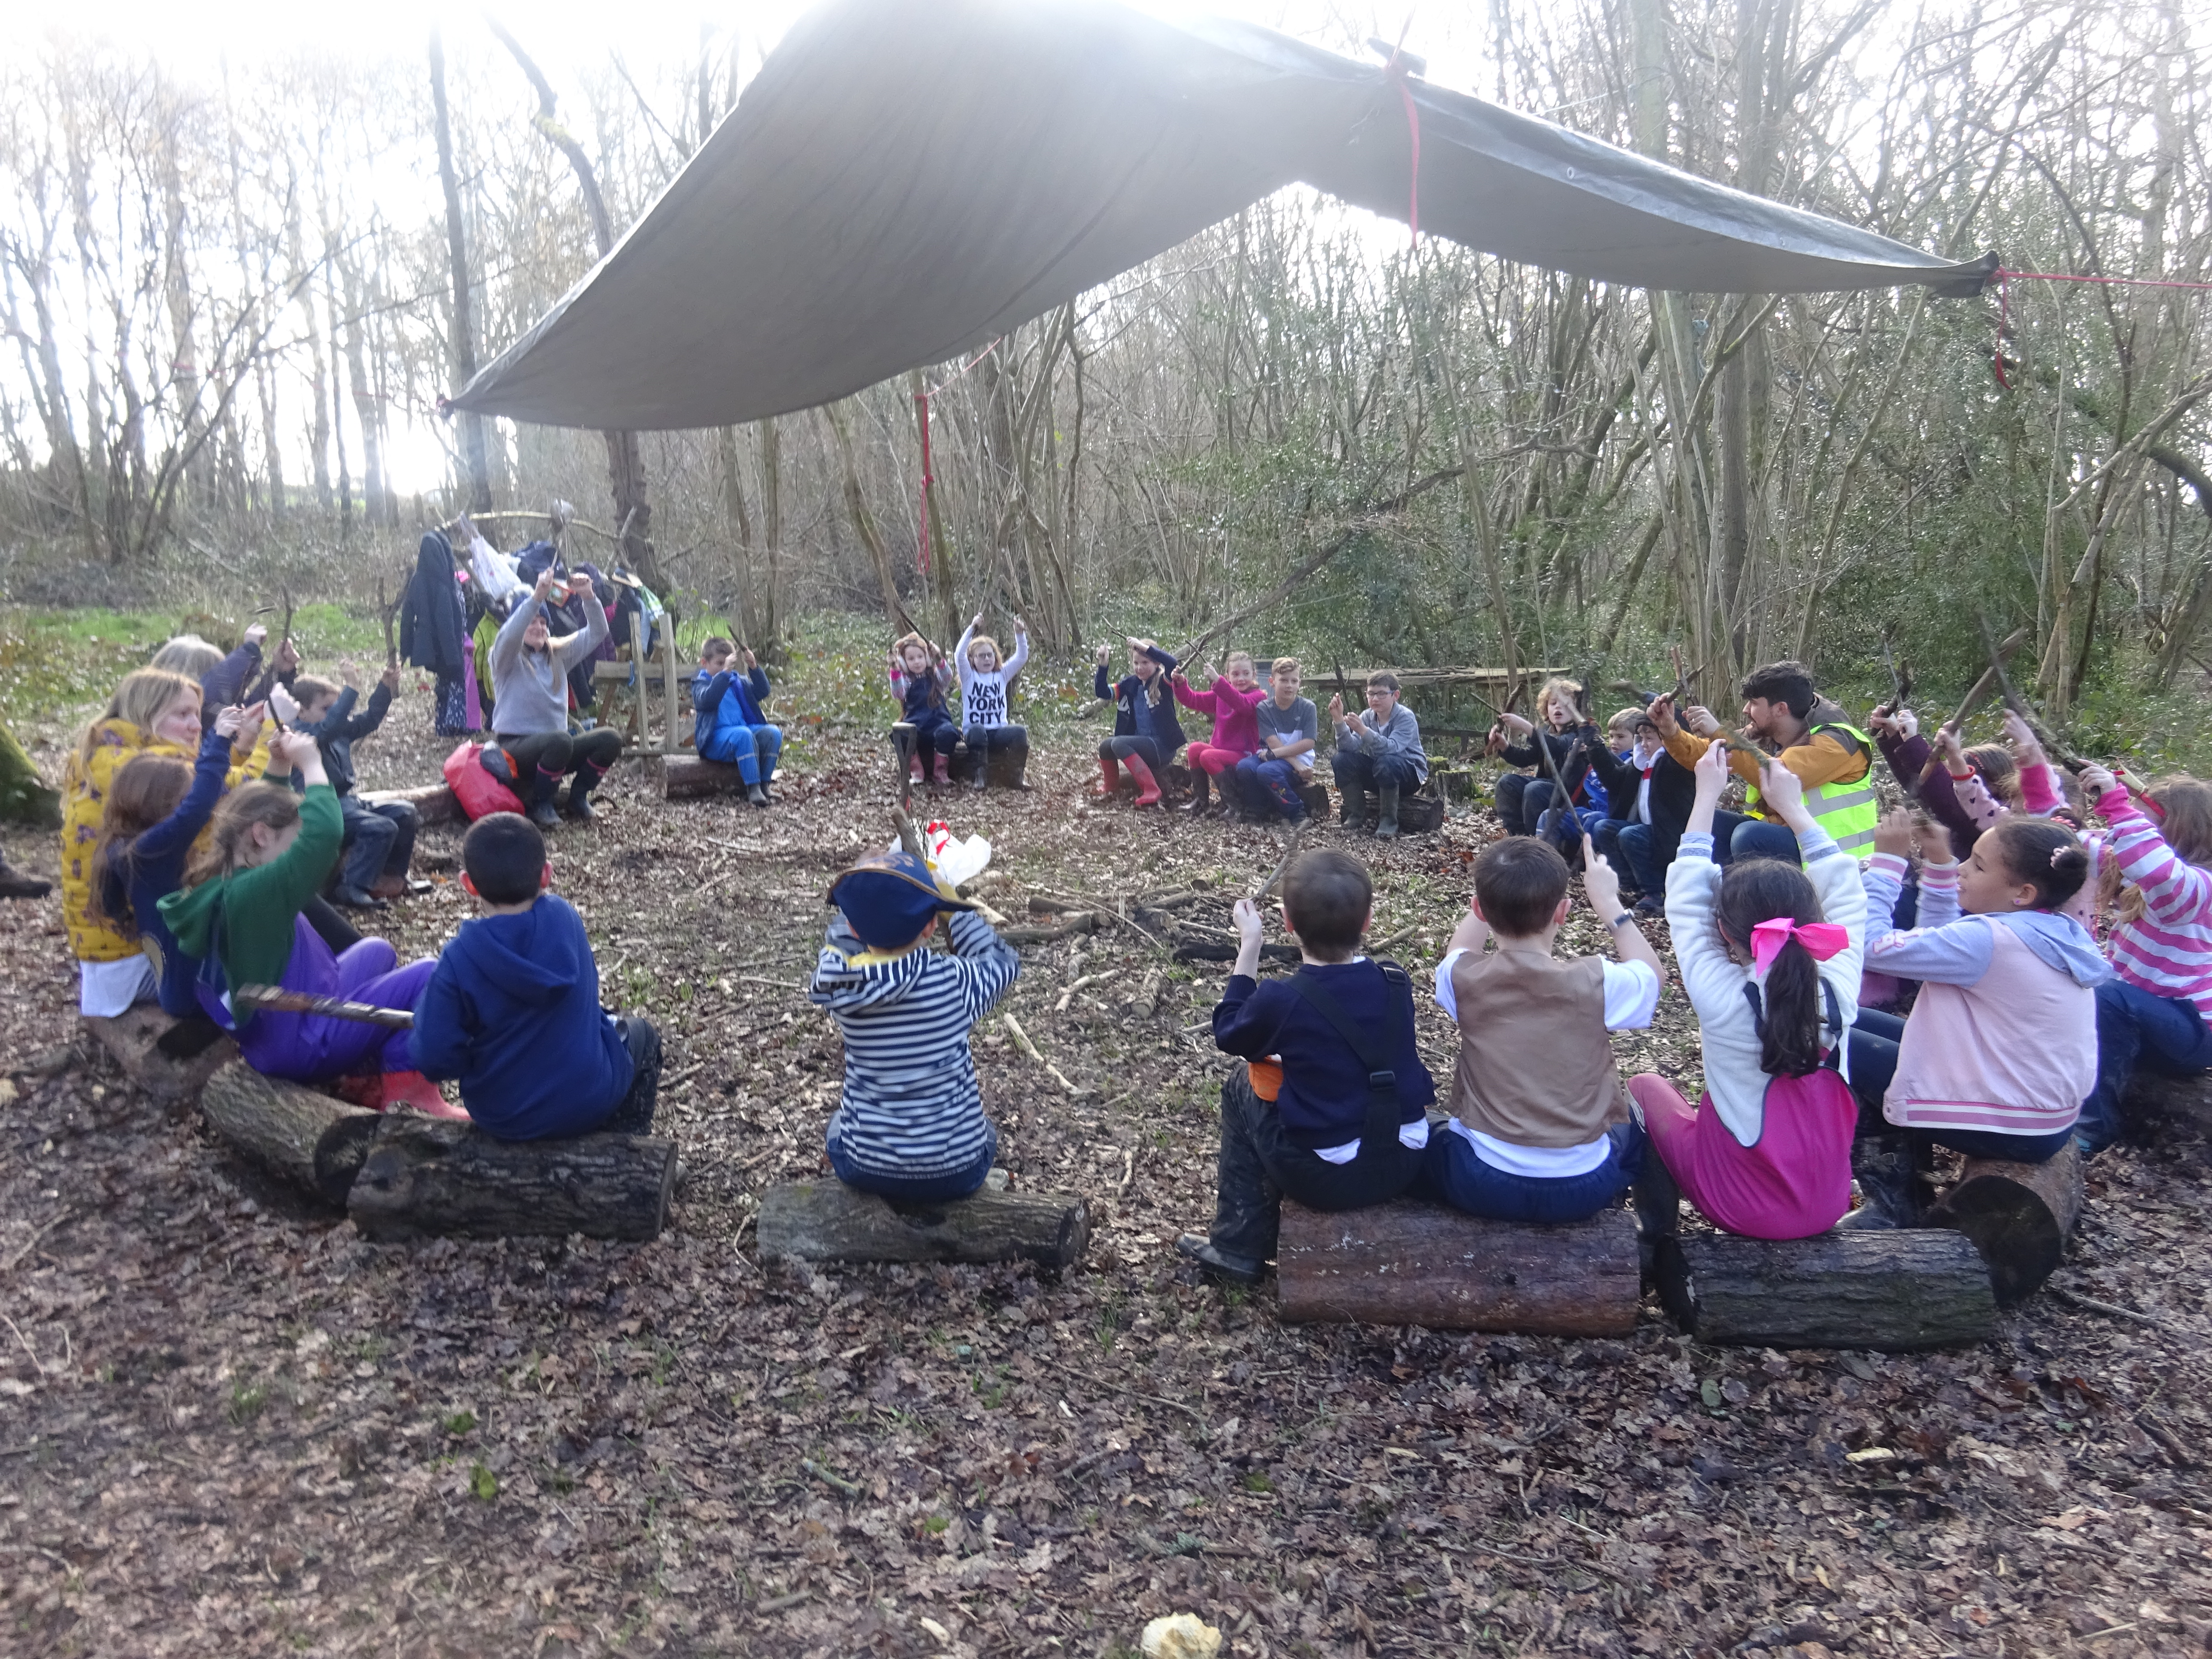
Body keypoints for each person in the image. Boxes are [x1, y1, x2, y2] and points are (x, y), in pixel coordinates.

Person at [1626, 743, 1868, 1243]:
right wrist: (1796, 809)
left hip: (1739, 1207)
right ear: (1815, 921)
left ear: (1725, 932)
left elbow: (1687, 908)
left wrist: (1706, 795)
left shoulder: (1724, 1000)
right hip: (1826, 1206)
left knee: (1645, 1087)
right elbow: (1848, 896)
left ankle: (1656, 1239)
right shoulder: (1841, 990)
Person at [1176, 849, 1434, 1283]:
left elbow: (1229, 1032)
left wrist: (1250, 947)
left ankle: (1237, 1245)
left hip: (1327, 1178)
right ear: (1368, 920)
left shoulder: (1283, 999)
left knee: (1243, 1083)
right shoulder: (1395, 980)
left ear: (1288, 923)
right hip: (1404, 1159)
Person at [1840, 812, 2105, 1224]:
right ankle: (1904, 1183)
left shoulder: (1990, 940)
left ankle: (1892, 1205)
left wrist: (1887, 865)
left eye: (1977, 865)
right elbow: (1939, 943)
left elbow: (1871, 948)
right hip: (2040, 1114)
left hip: (2013, 1124)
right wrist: (1940, 862)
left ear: (2023, 892)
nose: (1965, 869)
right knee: (1847, 1019)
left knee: (1829, 1034)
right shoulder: (2052, 928)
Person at [159, 732, 435, 1084]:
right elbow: (324, 836)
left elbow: (261, 809)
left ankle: (364, 1061)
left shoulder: (231, 879)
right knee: (430, 972)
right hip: (306, 1045)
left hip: (286, 1025)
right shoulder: (257, 894)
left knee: (376, 950)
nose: (296, 853)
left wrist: (280, 766)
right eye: (294, 841)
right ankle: (404, 1084)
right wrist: (311, 763)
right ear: (261, 836)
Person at [1424, 834, 1662, 1222]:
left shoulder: (1460, 978)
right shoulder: (1598, 981)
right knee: (1637, 1125)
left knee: (1430, 1132)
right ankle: (1653, 1237)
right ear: (1563, 912)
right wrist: (1611, 907)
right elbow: (1653, 976)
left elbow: (1458, 953)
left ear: (1478, 910)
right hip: (1585, 1184)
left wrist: (1486, 902)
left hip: (1484, 1180)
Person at [412, 813, 660, 1139]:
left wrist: (471, 1051)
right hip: (591, 1099)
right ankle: (629, 1141)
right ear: (546, 875)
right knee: (643, 1034)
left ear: (468, 884)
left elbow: (433, 1058)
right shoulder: (565, 919)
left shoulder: (458, 959)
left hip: (502, 1116)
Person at [809, 848, 1021, 1200]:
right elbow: (1002, 963)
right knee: (986, 1132)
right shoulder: (954, 982)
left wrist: (862, 907)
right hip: (957, 1169)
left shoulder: (842, 987)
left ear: (851, 925)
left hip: (868, 1167)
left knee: (836, 1128)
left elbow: (841, 943)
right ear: (930, 924)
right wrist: (954, 909)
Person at [61, 668, 271, 1017]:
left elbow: (199, 787)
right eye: (182, 714)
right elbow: (239, 793)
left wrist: (240, 745)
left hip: (107, 953)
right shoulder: (140, 762)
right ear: (146, 714)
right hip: (138, 959)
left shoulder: (108, 754)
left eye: (195, 714)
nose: (195, 725)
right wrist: (269, 738)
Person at [2074, 765, 2212, 1155]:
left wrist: (2118, 807)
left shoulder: (2198, 888)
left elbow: (2162, 876)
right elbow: (2075, 844)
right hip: (2145, 1017)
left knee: (2104, 995)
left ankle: (2092, 1127)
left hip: (2193, 1031)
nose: (2127, 834)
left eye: (2146, 826)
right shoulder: (2141, 873)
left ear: (2178, 832)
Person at [1650, 660, 1877, 865]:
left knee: (1749, 836)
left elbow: (1779, 776)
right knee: (1708, 822)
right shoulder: (1771, 732)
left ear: (1780, 709)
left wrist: (1719, 730)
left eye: (1754, 703)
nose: (1746, 710)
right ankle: (1724, 899)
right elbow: (1712, 753)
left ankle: (1761, 904)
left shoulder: (1838, 742)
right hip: (1792, 838)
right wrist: (1670, 731)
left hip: (1833, 857)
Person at [483, 568, 619, 828]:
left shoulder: (558, 654)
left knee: (609, 739)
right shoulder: (504, 658)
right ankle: (541, 803)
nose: (539, 627)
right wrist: (536, 598)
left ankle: (578, 797)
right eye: (532, 622)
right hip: (515, 748)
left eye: (543, 622)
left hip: (557, 748)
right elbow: (509, 636)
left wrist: (588, 596)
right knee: (560, 740)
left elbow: (598, 633)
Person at [292, 664, 414, 909]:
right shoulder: (302, 735)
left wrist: (384, 688)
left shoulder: (336, 731)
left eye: (335, 708)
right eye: (327, 708)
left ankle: (389, 878)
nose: (336, 714)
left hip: (347, 800)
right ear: (301, 711)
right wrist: (351, 689)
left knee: (405, 813)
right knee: (380, 828)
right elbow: (326, 729)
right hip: (321, 806)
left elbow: (369, 720)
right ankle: (351, 887)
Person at [1588, 706, 1697, 915]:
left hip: (1671, 835)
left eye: (1650, 738)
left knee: (1630, 835)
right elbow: (1613, 779)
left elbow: (1682, 746)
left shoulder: (1677, 764)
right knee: (1604, 828)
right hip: (1647, 830)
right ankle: (1631, 886)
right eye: (1641, 738)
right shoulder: (1642, 764)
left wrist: (1668, 723)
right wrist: (1594, 745)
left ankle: (1656, 893)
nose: (1644, 745)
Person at [1489, 677, 1598, 841]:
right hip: (1547, 788)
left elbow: (1556, 745)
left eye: (1565, 705)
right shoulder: (1548, 731)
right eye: (1553, 704)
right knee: (1507, 784)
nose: (1558, 708)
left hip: (1572, 795)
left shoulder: (1583, 732)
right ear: (1546, 709)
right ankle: (1519, 839)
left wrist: (1525, 726)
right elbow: (1526, 759)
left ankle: (1538, 844)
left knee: (1534, 789)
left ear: (1576, 709)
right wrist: (1505, 747)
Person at [1329, 672, 1427, 839]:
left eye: (1382, 694)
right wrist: (1339, 721)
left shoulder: (1405, 717)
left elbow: (1393, 748)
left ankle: (1388, 823)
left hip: (1408, 775)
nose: (1375, 699)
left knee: (1387, 761)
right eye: (1371, 693)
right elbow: (1349, 748)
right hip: (1381, 772)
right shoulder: (1367, 716)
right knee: (1341, 760)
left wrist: (1363, 730)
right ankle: (1356, 816)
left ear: (1395, 695)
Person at [1094, 637, 1186, 808]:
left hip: (1162, 747)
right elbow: (1102, 692)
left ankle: (1151, 788)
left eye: (1145, 663)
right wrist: (1103, 665)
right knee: (1106, 746)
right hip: (1141, 743)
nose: (1140, 668)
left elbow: (1173, 663)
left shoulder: (1164, 682)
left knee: (1119, 743)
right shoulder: (1130, 684)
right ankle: (1110, 786)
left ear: (1156, 664)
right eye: (1136, 663)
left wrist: (1145, 647)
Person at [1172, 651, 1267, 816]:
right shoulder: (1222, 695)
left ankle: (1234, 806)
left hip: (1245, 753)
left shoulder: (1258, 696)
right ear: (1228, 676)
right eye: (1235, 674)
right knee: (1195, 749)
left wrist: (1219, 681)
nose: (1241, 679)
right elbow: (1193, 699)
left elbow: (1243, 705)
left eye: (1246, 673)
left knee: (1208, 756)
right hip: (1221, 750)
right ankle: (1201, 802)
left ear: (1254, 675)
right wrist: (1181, 684)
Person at [690, 637, 781, 807]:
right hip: (714, 740)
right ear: (704, 663)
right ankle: (753, 788)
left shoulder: (737, 682)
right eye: (719, 664)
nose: (725, 668)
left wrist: (753, 667)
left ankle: (764, 785)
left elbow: (763, 692)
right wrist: (724, 674)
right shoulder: (701, 684)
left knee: (773, 733)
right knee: (743, 734)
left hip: (741, 733)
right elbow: (707, 700)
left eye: (728, 663)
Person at [952, 613, 1031, 791]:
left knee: (1020, 732)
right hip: (975, 733)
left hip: (998, 731)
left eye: (990, 655)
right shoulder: (969, 676)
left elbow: (1021, 657)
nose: (987, 659)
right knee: (978, 729)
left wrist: (1020, 634)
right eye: (982, 656)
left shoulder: (1002, 675)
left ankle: (1015, 776)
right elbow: (959, 655)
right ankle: (980, 776)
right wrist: (973, 628)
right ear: (973, 659)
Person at [1237, 657, 1319, 825]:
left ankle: (1297, 812)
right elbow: (1272, 742)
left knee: (1267, 771)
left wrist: (1278, 756)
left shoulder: (1307, 707)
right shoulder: (1264, 708)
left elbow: (1309, 742)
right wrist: (1295, 765)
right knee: (1245, 767)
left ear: (1299, 683)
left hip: (1298, 757)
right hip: (1279, 757)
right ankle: (1258, 808)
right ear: (1272, 682)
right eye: (1283, 680)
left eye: (1294, 681)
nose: (1289, 685)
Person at [888, 632, 959, 788]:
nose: (917, 662)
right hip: (916, 725)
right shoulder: (906, 680)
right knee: (899, 733)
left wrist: (939, 659)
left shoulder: (935, 676)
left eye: (920, 657)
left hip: (938, 722)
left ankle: (940, 771)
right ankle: (916, 771)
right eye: (911, 659)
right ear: (904, 662)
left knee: (949, 733)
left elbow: (947, 677)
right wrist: (894, 668)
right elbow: (898, 692)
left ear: (926, 658)